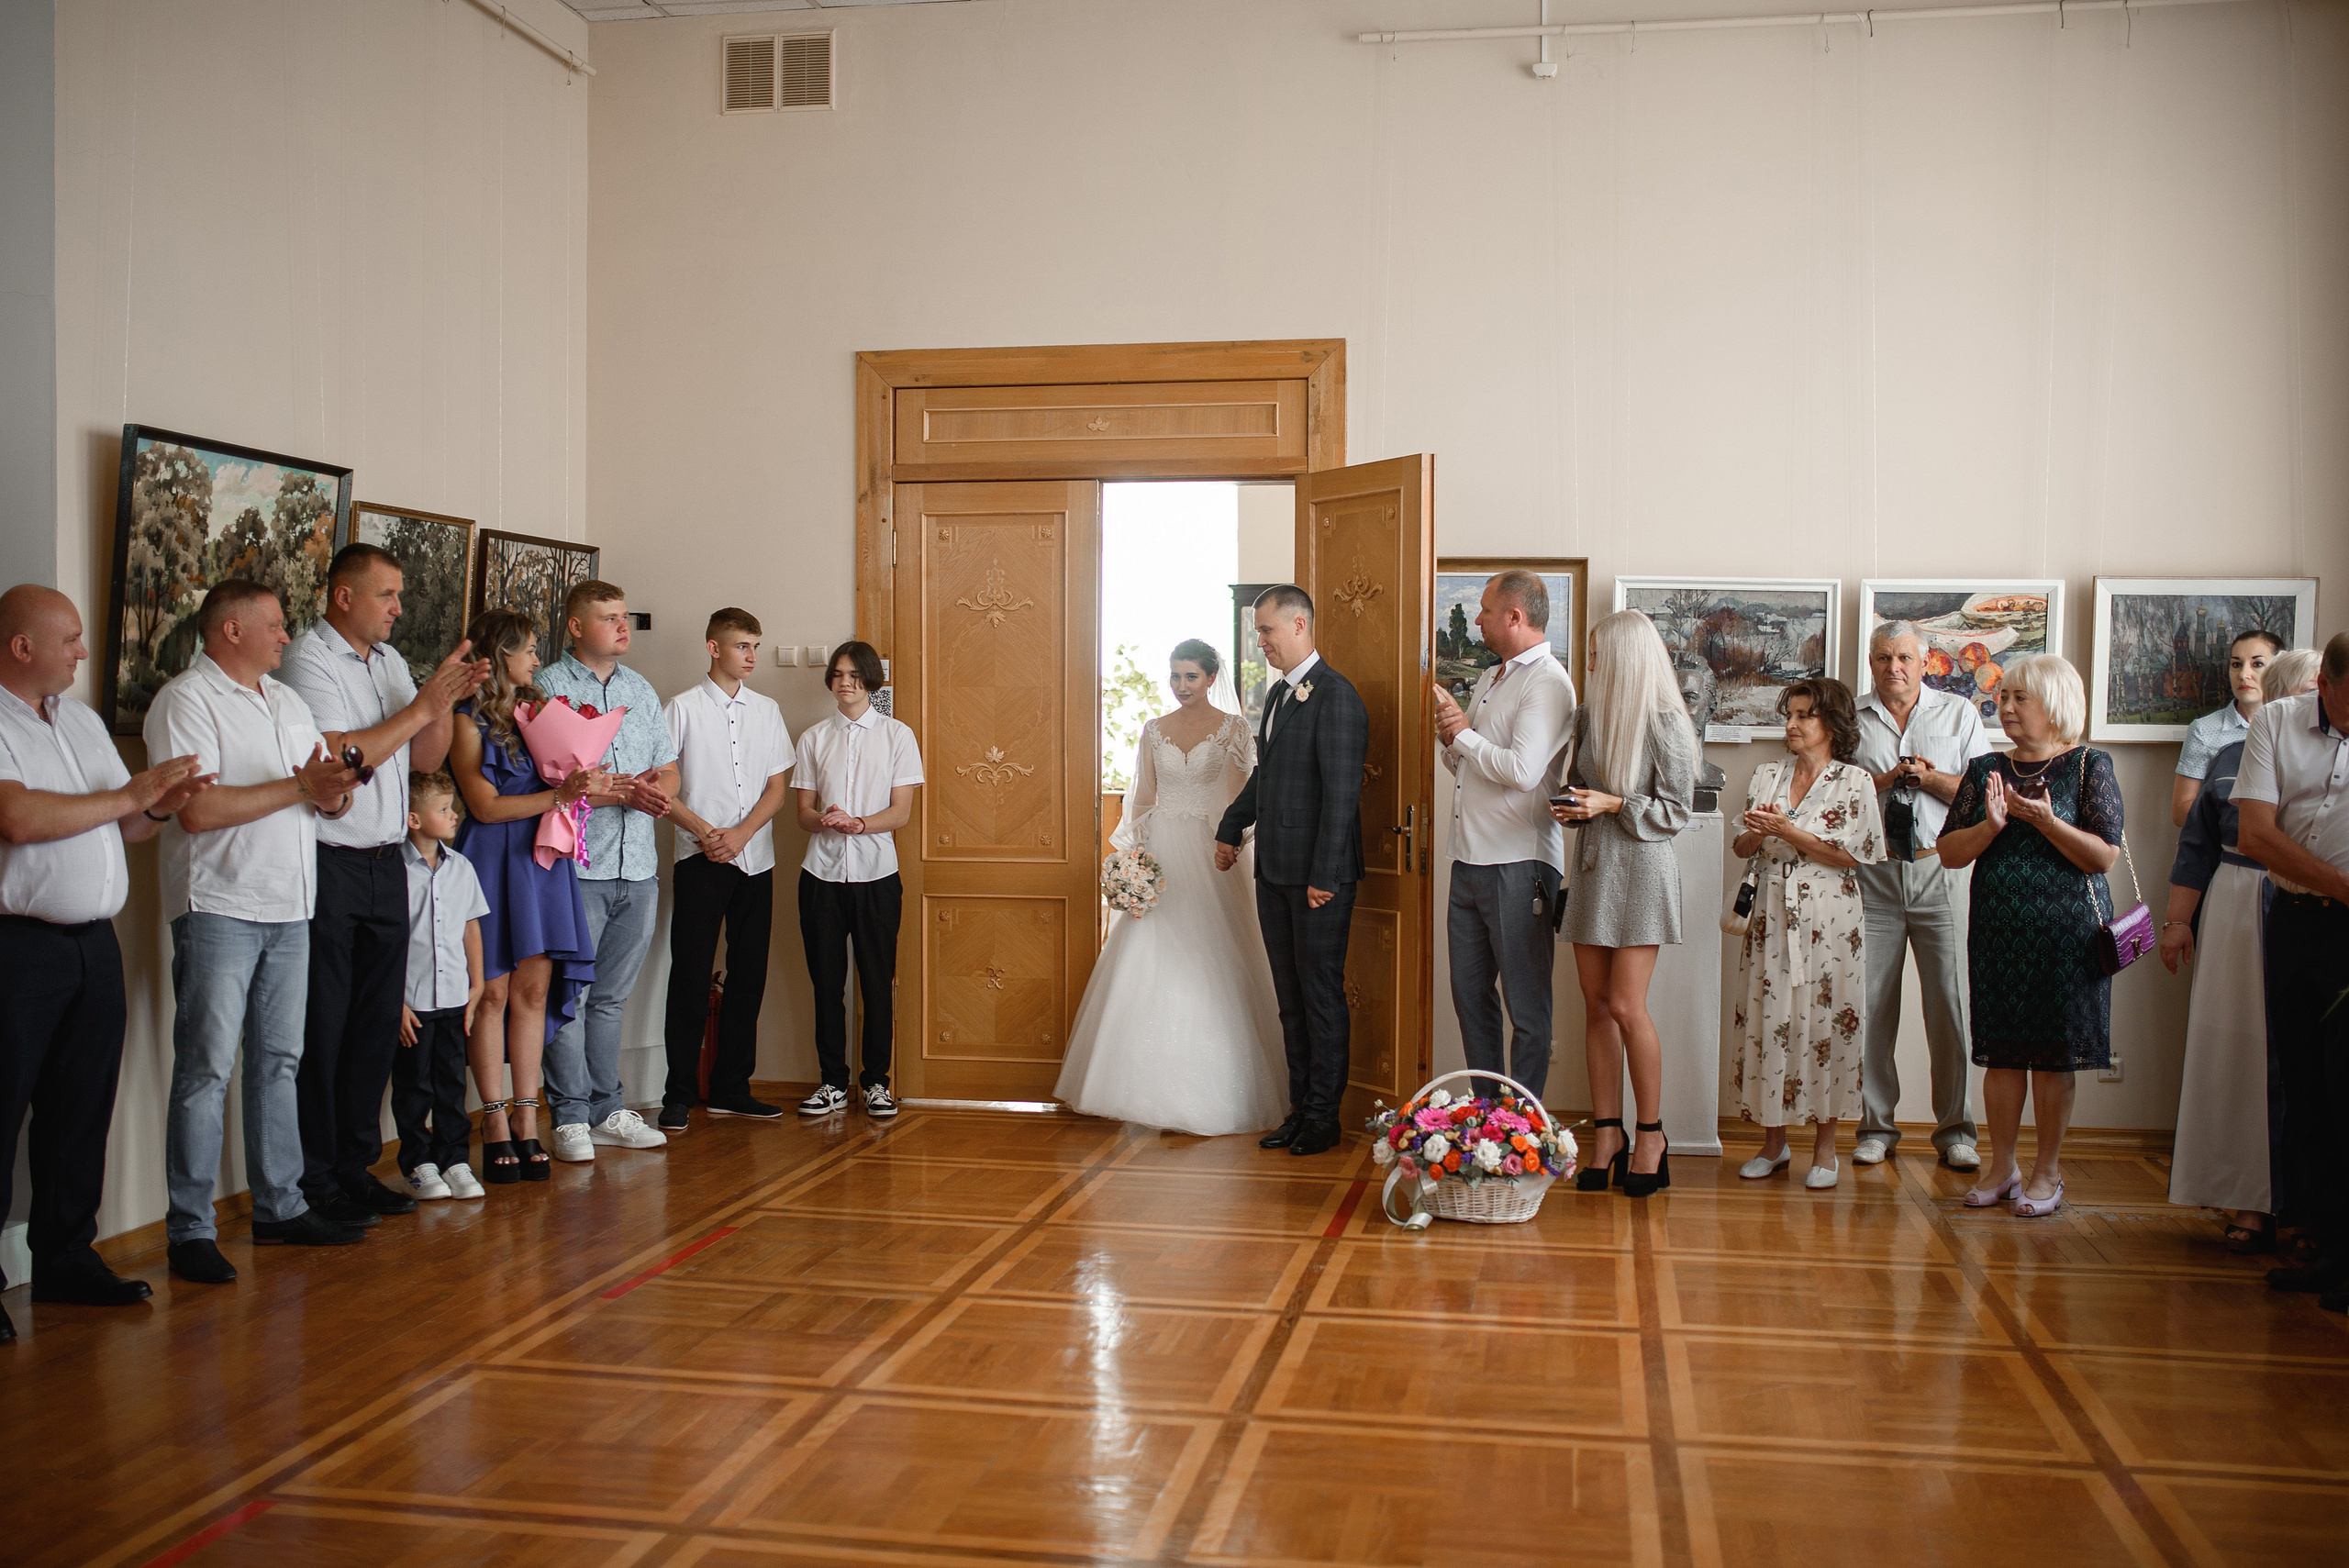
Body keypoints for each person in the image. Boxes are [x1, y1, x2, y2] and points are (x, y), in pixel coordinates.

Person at [0, 584, 212, 1340]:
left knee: (80, 1106)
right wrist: (129, 794)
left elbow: (129, 828)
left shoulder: (81, 719)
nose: (83, 652)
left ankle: (64, 1257)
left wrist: (157, 804)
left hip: (94, 942)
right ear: (22, 646)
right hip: (18, 945)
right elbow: (18, 817)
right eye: (70, 640)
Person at [144, 580, 367, 1283]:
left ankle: (279, 1206)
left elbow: (320, 798)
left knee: (279, 1062)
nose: (285, 636)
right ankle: (189, 1229)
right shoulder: (185, 700)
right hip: (219, 903)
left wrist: (334, 792)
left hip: (290, 904)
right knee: (206, 1067)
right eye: (273, 624)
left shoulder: (290, 702)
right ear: (231, 630)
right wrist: (304, 788)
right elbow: (197, 811)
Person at [278, 542, 488, 1231]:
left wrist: (442, 705)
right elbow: (341, 757)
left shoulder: (391, 663)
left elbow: (424, 758)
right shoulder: (309, 659)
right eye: (386, 595)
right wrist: (422, 705)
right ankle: (315, 1178)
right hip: (330, 860)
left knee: (373, 1029)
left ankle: (354, 1167)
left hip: (386, 859)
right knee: (327, 1025)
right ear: (344, 597)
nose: (399, 607)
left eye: (399, 594)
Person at [1057, 639, 1286, 1135]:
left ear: (1211, 678)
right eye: (1175, 676)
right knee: (1151, 953)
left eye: (1191, 676)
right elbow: (1143, 797)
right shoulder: (1154, 729)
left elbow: (1246, 795)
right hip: (1161, 850)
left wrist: (1234, 842)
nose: (1182, 686)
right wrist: (1134, 857)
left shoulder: (1234, 728)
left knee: (1212, 954)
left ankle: (1216, 1089)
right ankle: (1135, 1089)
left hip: (1210, 850)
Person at [1935, 654, 2125, 1219]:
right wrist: (1991, 826)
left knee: (2053, 1056)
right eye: (2004, 697)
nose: (2007, 706)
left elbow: (2104, 857)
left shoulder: (2090, 765)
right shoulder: (1984, 770)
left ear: (2056, 704)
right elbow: (1948, 853)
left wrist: (2047, 822)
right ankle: (2002, 1168)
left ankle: (2047, 1172)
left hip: (2068, 937)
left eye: (2021, 697)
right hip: (1998, 931)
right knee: (2001, 1054)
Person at [2161, 648, 2321, 1251]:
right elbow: (2196, 846)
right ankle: (2247, 1199)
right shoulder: (2230, 757)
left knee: (2301, 1057)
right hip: (2235, 907)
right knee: (2240, 1055)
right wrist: (2178, 921)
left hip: (2312, 908)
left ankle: (2306, 1208)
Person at [448, 609, 603, 1184]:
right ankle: (492, 1121)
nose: (538, 659)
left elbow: (567, 782)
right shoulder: (466, 718)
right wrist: (559, 797)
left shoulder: (538, 711)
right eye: (530, 649)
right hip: (491, 859)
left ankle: (526, 1116)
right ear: (500, 655)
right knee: (491, 992)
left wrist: (586, 785)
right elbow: (484, 807)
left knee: (533, 991)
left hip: (541, 861)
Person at [1215, 585, 1369, 1159]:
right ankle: (1299, 1109)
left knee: (1320, 995)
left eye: (1267, 630)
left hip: (1317, 880)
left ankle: (1324, 1118)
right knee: (1290, 998)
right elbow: (1269, 775)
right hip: (1274, 871)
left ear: (1299, 625)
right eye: (1258, 632)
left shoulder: (1336, 696)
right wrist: (1231, 826)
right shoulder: (1280, 694)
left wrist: (1324, 875)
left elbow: (1342, 795)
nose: (1260, 642)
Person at [1550, 609, 1697, 1197]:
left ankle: (1651, 1136)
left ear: (1624, 658)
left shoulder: (1666, 722)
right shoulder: (1589, 715)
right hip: (1593, 869)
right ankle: (1607, 1133)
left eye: (1595, 653)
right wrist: (1572, 806)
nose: (1588, 663)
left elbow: (1676, 811)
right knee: (1595, 1006)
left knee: (1627, 1005)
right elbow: (1581, 788)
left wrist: (1611, 804)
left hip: (1641, 872)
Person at [535, 581, 679, 1163]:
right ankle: (569, 1116)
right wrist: (621, 793)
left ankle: (607, 1109)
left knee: (611, 998)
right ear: (575, 627)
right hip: (576, 866)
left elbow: (668, 769)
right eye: (609, 617)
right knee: (569, 995)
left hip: (638, 866)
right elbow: (546, 783)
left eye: (625, 617)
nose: (623, 627)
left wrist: (654, 788)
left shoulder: (640, 689)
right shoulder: (547, 687)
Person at [1849, 620, 1994, 1171]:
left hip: (1941, 869)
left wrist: (1930, 780)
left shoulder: (1958, 714)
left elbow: (1983, 796)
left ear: (1925, 660)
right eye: (1883, 658)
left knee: (1950, 1006)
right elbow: (1833, 795)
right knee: (1869, 1007)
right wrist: (1889, 779)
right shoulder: (1851, 719)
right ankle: (1875, 1128)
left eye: (1905, 657)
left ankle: (1956, 1132)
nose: (1894, 668)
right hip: (1873, 874)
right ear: (1871, 661)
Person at [1731, 680, 1884, 1190]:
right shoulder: (1767, 774)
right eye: (1789, 715)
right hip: (1771, 911)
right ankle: (1773, 1145)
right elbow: (1741, 847)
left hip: (1831, 917)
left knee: (1829, 1022)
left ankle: (1825, 1149)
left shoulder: (1856, 781)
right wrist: (1758, 832)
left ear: (1832, 724)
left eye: (1804, 716)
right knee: (1770, 1019)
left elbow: (1854, 855)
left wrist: (1790, 832)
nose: (1791, 725)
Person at [2234, 631, 2349, 1310]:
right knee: (2305, 1085)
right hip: (2296, 920)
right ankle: (2329, 1247)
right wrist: (2342, 886)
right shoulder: (2276, 722)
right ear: (2324, 685)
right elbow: (2255, 834)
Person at [1433, 571, 1575, 1102]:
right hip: (1468, 859)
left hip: (1519, 862)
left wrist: (1464, 737)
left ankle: (1524, 1123)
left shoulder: (1548, 682)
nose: (1477, 619)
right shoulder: (1493, 677)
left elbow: (1522, 771)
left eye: (1486, 610)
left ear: (1515, 616)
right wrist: (1451, 740)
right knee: (1470, 999)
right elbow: (1470, 765)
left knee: (1527, 1006)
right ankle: (1487, 1117)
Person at [660, 607, 796, 1133]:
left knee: (749, 975)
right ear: (714, 648)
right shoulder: (681, 708)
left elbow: (777, 789)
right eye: (742, 646)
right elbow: (661, 786)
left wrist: (741, 835)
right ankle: (678, 1093)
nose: (752, 656)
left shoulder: (767, 710)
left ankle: (732, 1089)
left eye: (755, 646)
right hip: (700, 859)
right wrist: (707, 833)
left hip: (756, 860)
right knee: (690, 975)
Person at [794, 640, 923, 1119]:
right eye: (838, 674)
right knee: (826, 985)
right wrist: (825, 820)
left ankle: (876, 1084)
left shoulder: (897, 735)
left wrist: (860, 824)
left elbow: (901, 812)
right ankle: (831, 1083)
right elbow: (803, 814)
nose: (844, 683)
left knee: (876, 982)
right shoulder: (813, 738)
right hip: (820, 876)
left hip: (877, 876)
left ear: (870, 680)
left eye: (853, 675)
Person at [393, 770, 488, 1202]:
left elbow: (470, 927)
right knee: (413, 1087)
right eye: (444, 809)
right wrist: (394, 1001)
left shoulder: (461, 867)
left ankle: (455, 1159)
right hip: (411, 1003)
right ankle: (418, 1163)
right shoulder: (393, 870)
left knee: (451, 1084)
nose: (454, 816)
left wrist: (477, 984)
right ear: (414, 819)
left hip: (454, 999)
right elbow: (388, 940)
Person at [2173, 629, 2284, 827]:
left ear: (2279, 669)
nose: (2243, 674)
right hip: (2222, 843)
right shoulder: (2204, 730)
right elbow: (2181, 812)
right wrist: (2238, 818)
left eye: (2257, 664)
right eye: (2236, 664)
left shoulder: (2293, 727)